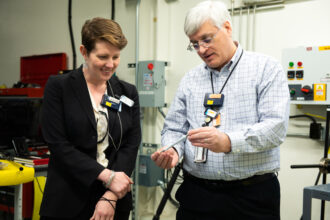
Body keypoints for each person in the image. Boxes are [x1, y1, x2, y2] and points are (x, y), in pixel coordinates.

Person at [151, 1, 290, 220]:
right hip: (198, 195)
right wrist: (172, 151)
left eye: (207, 39)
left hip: (251, 197)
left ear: (227, 27)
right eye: (194, 44)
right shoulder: (190, 79)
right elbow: (174, 128)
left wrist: (228, 142)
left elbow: (275, 128)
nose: (202, 50)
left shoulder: (266, 69)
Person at [40, 17, 141, 220]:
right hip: (68, 199)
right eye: (103, 57)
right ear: (84, 52)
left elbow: (131, 144)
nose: (110, 65)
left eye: (116, 57)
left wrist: (111, 195)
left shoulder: (127, 92)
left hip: (113, 201)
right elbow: (59, 145)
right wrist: (107, 176)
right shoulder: (59, 87)